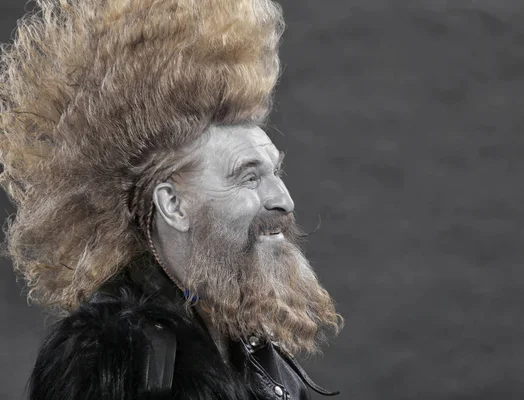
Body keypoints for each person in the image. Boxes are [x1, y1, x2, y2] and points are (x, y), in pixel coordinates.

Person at [0, 0, 343, 398]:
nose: (283, 199)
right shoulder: (115, 359)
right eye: (249, 177)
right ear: (174, 205)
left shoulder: (239, 331)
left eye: (275, 172)